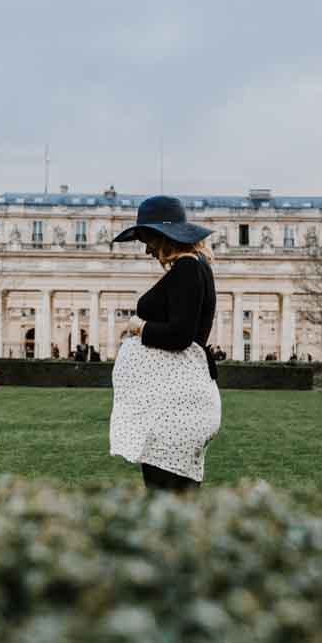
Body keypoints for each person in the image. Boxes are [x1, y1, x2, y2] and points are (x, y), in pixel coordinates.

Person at [108, 195, 221, 493]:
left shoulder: (187, 269)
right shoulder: (196, 268)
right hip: (176, 407)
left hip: (174, 411)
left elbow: (180, 336)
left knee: (165, 499)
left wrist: (139, 327)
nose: (147, 250)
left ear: (163, 236)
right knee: (175, 499)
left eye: (147, 239)